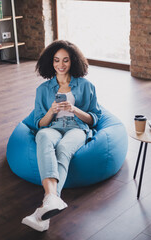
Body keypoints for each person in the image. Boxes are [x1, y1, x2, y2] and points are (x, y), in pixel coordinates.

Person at [21, 40, 102, 232]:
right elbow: (39, 122)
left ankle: (45, 206)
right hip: (53, 126)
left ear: (73, 61)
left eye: (66, 60)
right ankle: (51, 200)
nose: (61, 65)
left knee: (64, 147)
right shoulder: (42, 90)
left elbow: (94, 119)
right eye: (57, 60)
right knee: (42, 137)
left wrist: (74, 109)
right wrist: (51, 111)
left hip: (76, 127)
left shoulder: (86, 86)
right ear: (51, 62)